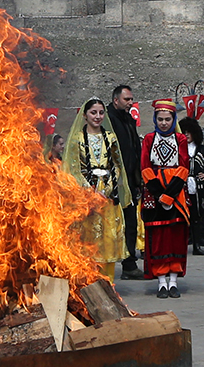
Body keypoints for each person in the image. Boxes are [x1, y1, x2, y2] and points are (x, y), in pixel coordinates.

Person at [63, 98, 132, 268]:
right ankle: (90, 282)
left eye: (101, 112)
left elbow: (117, 165)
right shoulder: (77, 139)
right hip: (86, 196)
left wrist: (107, 189)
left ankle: (109, 282)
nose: (98, 116)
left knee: (108, 237)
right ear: (85, 115)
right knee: (88, 238)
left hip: (108, 195)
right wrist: (91, 192)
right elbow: (74, 168)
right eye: (93, 112)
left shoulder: (110, 137)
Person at [138, 99, 192, 298]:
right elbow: (145, 167)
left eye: (167, 119)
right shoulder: (148, 140)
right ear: (154, 119)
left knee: (176, 236)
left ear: (173, 119)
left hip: (176, 192)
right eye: (160, 119)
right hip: (155, 193)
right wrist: (159, 194)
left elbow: (184, 166)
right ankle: (161, 281)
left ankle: (173, 280)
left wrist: (170, 194)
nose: (163, 123)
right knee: (158, 237)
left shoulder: (181, 140)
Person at [107, 85, 143, 277]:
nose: (130, 103)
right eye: (127, 99)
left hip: (130, 180)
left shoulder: (128, 119)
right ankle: (106, 266)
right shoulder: (108, 119)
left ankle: (129, 265)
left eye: (131, 99)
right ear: (116, 100)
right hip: (113, 181)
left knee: (131, 221)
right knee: (110, 223)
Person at [179, 116, 204, 255]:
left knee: (197, 215)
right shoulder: (178, 149)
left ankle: (197, 245)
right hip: (182, 186)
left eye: (189, 131)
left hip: (198, 188)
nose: (186, 134)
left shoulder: (202, 149)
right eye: (184, 132)